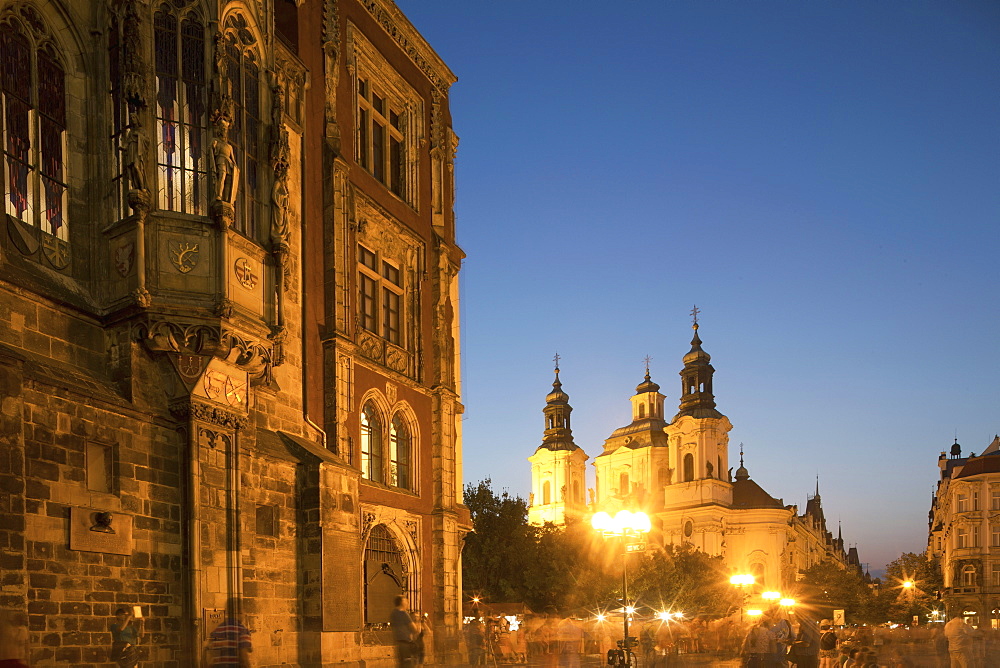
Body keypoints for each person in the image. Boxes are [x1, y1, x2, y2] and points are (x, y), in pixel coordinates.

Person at [206, 600, 252, 668]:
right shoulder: (242, 630)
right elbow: (243, 659)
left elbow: (210, 657)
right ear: (238, 612)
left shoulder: (217, 630)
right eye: (243, 612)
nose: (244, 615)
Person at [390, 595, 418, 668]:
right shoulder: (403, 613)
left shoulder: (393, 613)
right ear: (402, 602)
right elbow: (414, 629)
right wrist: (416, 621)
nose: (407, 603)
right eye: (406, 601)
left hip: (398, 642)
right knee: (408, 664)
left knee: (402, 663)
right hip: (406, 642)